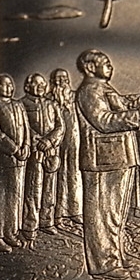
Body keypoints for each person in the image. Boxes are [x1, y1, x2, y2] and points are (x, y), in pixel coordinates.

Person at [75, 49, 140, 279]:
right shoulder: (89, 91)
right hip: (102, 161)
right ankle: (104, 264)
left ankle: (115, 256)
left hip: (117, 157)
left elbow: (120, 110)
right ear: (89, 67)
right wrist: (137, 116)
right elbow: (103, 121)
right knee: (102, 214)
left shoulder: (104, 88)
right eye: (105, 63)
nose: (110, 66)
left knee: (115, 214)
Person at [0, 73, 30, 251]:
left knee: (16, 196)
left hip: (20, 159)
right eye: (5, 84)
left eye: (11, 84)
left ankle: (12, 231)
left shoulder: (18, 105)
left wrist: (26, 146)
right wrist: (14, 149)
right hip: (3, 159)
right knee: (1, 196)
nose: (9, 87)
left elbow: (26, 128)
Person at [20, 72, 63, 244]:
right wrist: (38, 141)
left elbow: (60, 127)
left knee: (49, 190)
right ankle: (30, 226)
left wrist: (50, 141)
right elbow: (22, 127)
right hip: (35, 153)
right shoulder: (22, 104)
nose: (41, 87)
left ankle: (47, 222)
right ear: (28, 86)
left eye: (43, 84)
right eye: (36, 84)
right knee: (33, 190)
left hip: (51, 152)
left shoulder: (52, 105)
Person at [49, 68, 82, 227]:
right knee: (57, 177)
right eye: (58, 78)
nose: (62, 81)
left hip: (74, 140)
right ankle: (57, 214)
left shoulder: (75, 97)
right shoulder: (49, 99)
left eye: (64, 78)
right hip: (57, 142)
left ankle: (74, 211)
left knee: (74, 175)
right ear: (53, 81)